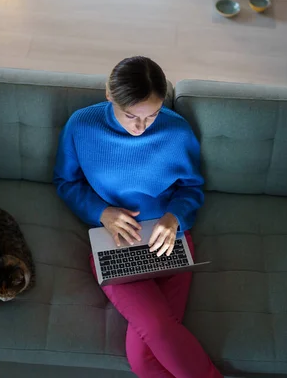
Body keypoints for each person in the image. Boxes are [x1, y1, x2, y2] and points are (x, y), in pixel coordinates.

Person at [53, 56, 222, 378]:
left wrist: (174, 218)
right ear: (109, 94)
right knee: (156, 329)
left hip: (170, 237)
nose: (140, 128)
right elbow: (65, 181)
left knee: (143, 360)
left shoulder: (177, 131)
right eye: (131, 116)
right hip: (116, 241)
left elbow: (192, 187)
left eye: (152, 115)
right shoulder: (81, 125)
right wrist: (101, 211)